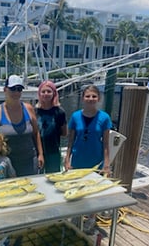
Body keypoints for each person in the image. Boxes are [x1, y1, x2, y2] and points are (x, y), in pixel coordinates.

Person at [64, 85, 112, 233]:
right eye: (87, 96)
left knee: (93, 192)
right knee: (77, 190)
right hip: (78, 160)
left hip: (96, 161)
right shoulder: (75, 116)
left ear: (98, 98)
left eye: (94, 96)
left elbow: (105, 143)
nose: (90, 99)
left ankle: (91, 218)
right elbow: (70, 141)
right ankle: (78, 215)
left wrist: (107, 163)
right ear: (82, 98)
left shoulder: (104, 117)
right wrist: (67, 159)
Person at [0, 75, 44, 176]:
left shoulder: (29, 108)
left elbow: (36, 133)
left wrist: (40, 154)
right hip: (5, 164)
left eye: (19, 89)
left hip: (30, 162)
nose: (16, 92)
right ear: (5, 89)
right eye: (13, 89)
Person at [36, 80, 68, 173]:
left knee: (53, 176)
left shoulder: (60, 112)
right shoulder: (35, 111)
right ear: (39, 94)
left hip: (54, 150)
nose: (46, 94)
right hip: (38, 152)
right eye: (43, 91)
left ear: (54, 93)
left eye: (49, 91)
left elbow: (64, 133)